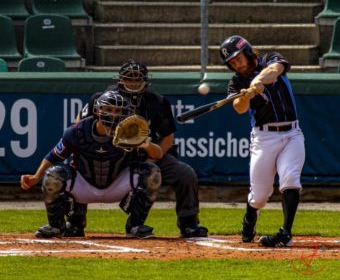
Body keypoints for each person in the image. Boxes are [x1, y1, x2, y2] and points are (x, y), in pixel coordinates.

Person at [79, 59, 208, 238]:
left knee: (185, 174)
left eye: (137, 79)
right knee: (77, 166)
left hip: (146, 152)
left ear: (145, 81)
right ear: (120, 80)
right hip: (111, 154)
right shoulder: (103, 97)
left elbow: (167, 138)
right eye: (128, 79)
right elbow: (81, 125)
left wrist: (150, 161)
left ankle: (188, 224)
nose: (133, 83)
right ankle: (75, 222)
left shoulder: (158, 101)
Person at [20, 91, 163, 239]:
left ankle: (135, 226)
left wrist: (145, 143)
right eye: (108, 109)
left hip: (118, 184)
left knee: (152, 173)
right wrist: (36, 177)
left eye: (117, 111)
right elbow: (54, 155)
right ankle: (57, 226)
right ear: (97, 110)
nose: (112, 114)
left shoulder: (130, 132)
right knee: (53, 176)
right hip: (84, 184)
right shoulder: (77, 131)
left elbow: (157, 154)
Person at [219, 35, 305, 247]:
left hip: (292, 133)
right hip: (264, 137)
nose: (236, 64)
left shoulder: (269, 60)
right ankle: (250, 215)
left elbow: (276, 70)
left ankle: (285, 233)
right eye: (231, 62)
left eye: (238, 58)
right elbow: (239, 108)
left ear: (247, 52)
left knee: (290, 179)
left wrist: (258, 81)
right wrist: (246, 94)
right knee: (259, 195)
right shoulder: (237, 82)